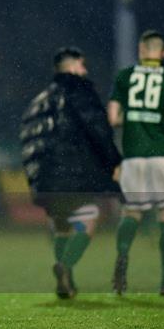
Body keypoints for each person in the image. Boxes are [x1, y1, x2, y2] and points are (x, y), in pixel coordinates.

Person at [20, 47, 122, 299]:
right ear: (74, 66)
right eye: (82, 66)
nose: (85, 71)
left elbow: (27, 139)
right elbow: (97, 127)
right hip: (74, 172)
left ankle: (66, 279)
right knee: (89, 217)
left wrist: (36, 177)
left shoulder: (39, 100)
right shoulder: (80, 90)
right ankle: (65, 266)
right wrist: (113, 161)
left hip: (46, 178)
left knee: (62, 228)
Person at [108, 30, 164, 296]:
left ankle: (122, 258)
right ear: (163, 52)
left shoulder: (125, 76)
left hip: (134, 154)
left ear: (141, 51)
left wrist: (135, 118)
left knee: (132, 212)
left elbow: (113, 118)